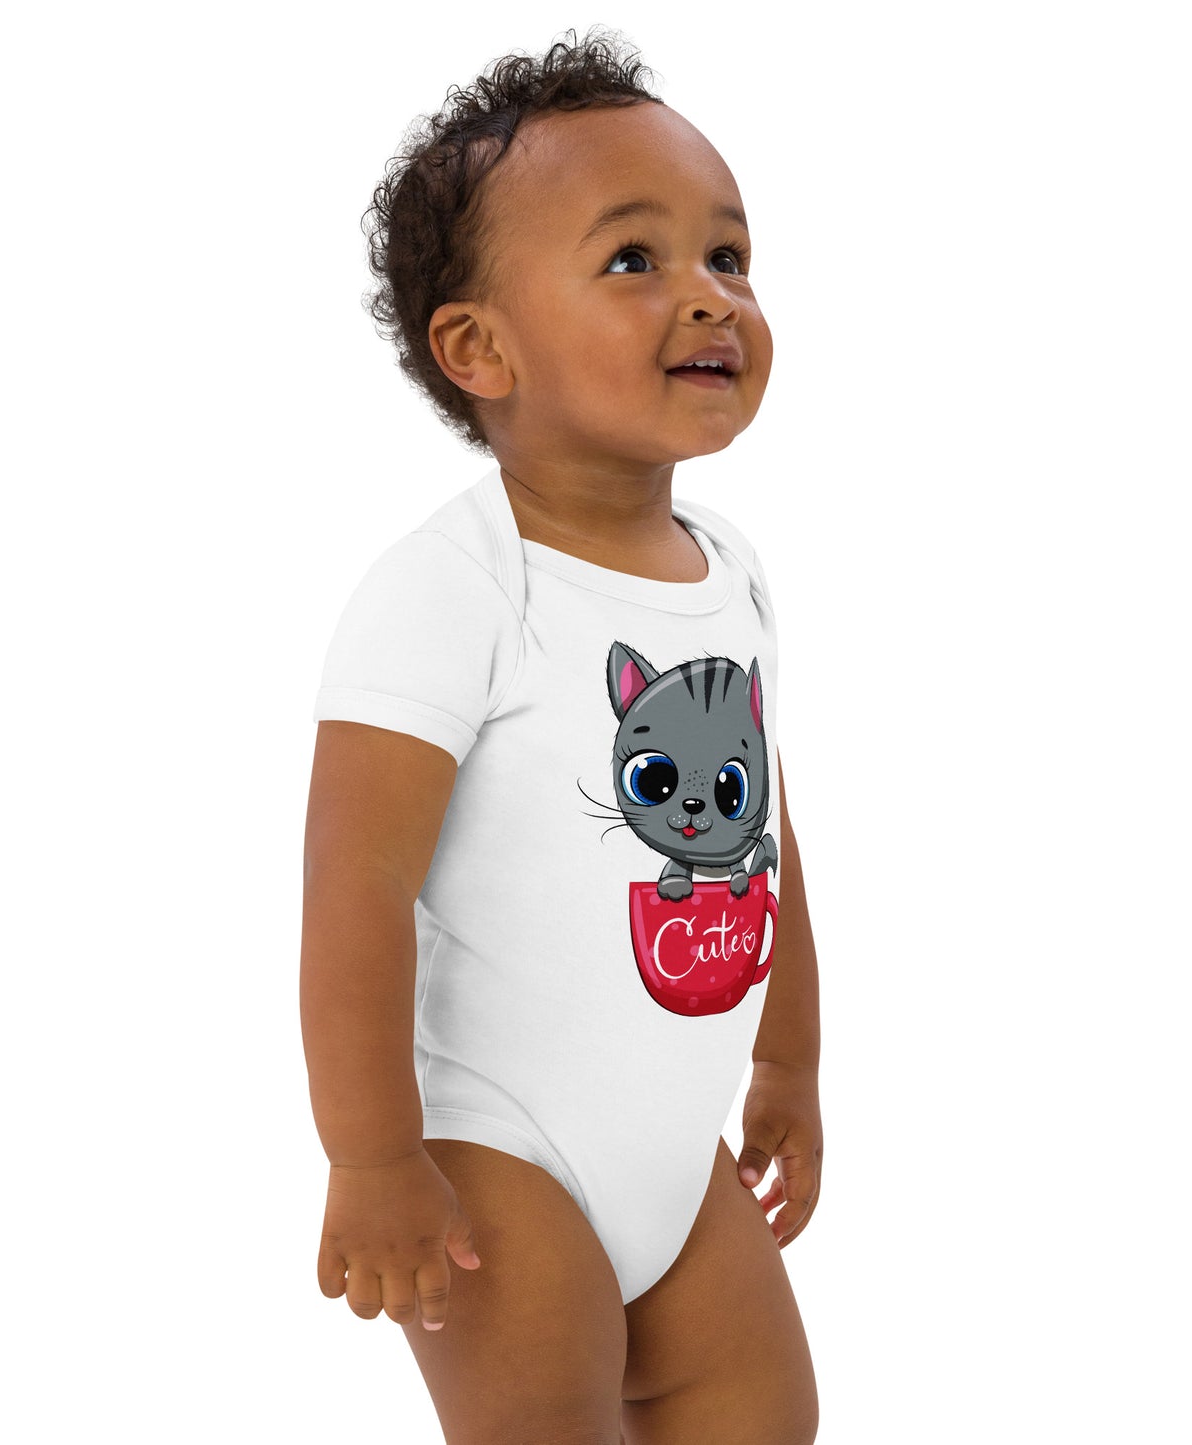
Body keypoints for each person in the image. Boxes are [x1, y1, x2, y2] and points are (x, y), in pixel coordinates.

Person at [300, 29, 823, 1445]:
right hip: (498, 1150)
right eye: (633, 259)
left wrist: (788, 1064)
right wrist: (371, 1155)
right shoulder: (453, 589)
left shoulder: (730, 570)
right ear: (480, 348)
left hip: (675, 1151)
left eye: (728, 255)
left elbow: (762, 840)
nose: (709, 295)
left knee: (767, 1416)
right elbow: (354, 888)